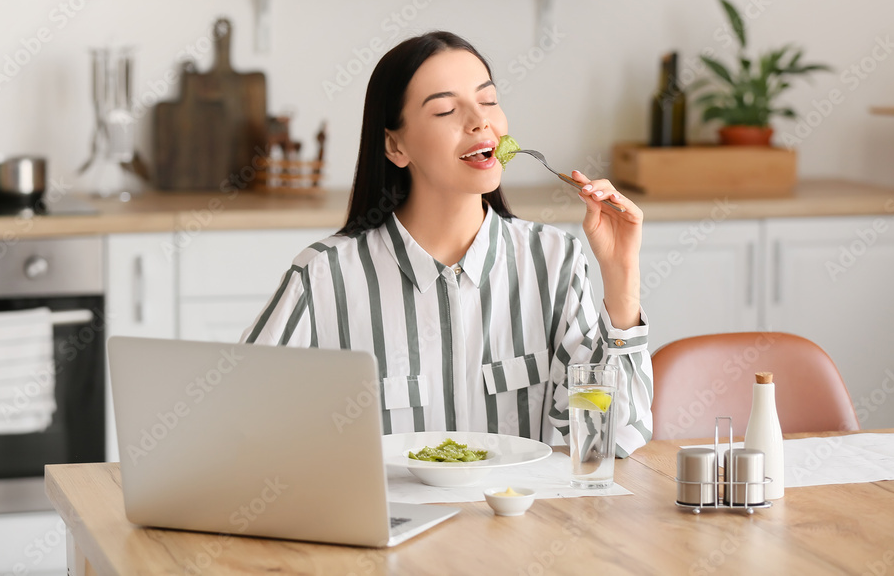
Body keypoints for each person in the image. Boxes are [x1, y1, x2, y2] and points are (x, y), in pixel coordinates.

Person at [241, 31, 652, 456]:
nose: (480, 121)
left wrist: (622, 281)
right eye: (445, 109)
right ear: (395, 145)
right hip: (392, 522)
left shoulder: (553, 260)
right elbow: (238, 427)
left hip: (515, 520)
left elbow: (609, 437)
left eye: (488, 101)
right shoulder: (324, 277)